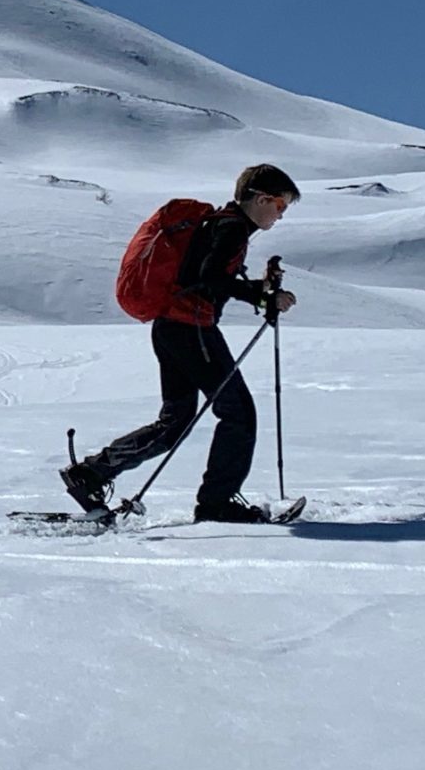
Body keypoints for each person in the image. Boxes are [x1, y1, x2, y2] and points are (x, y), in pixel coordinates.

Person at [62, 163, 300, 524]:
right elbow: (208, 278)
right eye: (281, 205)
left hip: (171, 328)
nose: (281, 215)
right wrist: (263, 299)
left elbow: (206, 277)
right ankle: (216, 504)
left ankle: (92, 474)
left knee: (174, 422)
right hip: (193, 330)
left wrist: (258, 290)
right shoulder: (232, 228)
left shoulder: (221, 224)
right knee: (238, 415)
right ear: (262, 199)